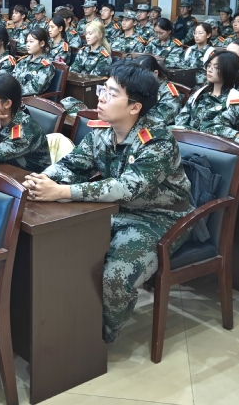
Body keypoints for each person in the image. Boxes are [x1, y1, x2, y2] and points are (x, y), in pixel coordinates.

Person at [23, 61, 193, 343]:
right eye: (103, 89)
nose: (100, 98)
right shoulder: (103, 131)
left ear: (135, 107)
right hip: (114, 210)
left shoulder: (157, 141)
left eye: (111, 94)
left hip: (159, 218)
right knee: (60, 249)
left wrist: (62, 192)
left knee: (115, 276)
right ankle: (65, 323)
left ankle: (99, 341)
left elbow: (126, 188)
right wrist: (41, 181)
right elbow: (72, 164)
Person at [174, 51, 239, 130]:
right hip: (186, 135)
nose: (209, 70)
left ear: (229, 70)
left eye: (216, 67)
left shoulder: (234, 98)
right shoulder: (200, 92)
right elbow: (182, 117)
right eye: (209, 66)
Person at [133, 54, 182, 125]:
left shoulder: (169, 93)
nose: (138, 80)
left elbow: (163, 118)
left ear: (155, 73)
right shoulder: (141, 85)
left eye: (142, 76)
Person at [12, 28, 55, 96]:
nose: (27, 45)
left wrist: (10, 92)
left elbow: (33, 89)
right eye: (27, 41)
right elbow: (12, 78)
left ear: (42, 43)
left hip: (28, 99)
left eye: (31, 42)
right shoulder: (23, 61)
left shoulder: (46, 66)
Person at [178, 22, 215, 87]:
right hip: (185, 82)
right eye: (195, 33)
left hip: (201, 85)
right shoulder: (189, 49)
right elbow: (181, 65)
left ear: (208, 35)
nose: (196, 36)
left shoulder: (211, 52)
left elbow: (212, 73)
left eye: (200, 33)